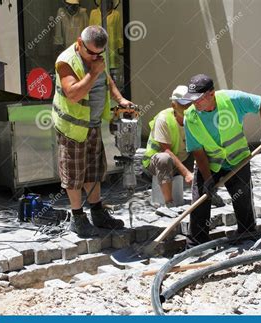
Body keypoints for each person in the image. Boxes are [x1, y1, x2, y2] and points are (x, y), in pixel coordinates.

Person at [52, 25, 132, 237]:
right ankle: (77, 218)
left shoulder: (95, 59)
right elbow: (73, 94)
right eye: (91, 53)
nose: (95, 58)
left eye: (100, 54)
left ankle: (97, 211)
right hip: (72, 129)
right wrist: (93, 73)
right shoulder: (65, 61)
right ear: (79, 43)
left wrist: (121, 99)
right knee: (74, 174)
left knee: (94, 171)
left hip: (92, 125)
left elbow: (107, 81)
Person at [183, 74, 261, 247]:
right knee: (200, 201)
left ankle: (247, 235)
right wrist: (208, 178)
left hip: (237, 160)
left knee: (242, 198)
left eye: (198, 99)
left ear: (211, 94)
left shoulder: (232, 100)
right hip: (209, 164)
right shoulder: (191, 117)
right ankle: (196, 244)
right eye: (191, 99)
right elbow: (198, 151)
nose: (194, 103)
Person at [142, 86, 194, 207]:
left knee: (206, 153)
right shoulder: (163, 118)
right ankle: (169, 204)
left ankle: (206, 194)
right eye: (183, 104)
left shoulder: (194, 118)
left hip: (181, 159)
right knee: (164, 158)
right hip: (155, 163)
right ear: (174, 105)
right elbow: (167, 150)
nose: (187, 107)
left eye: (189, 103)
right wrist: (186, 173)